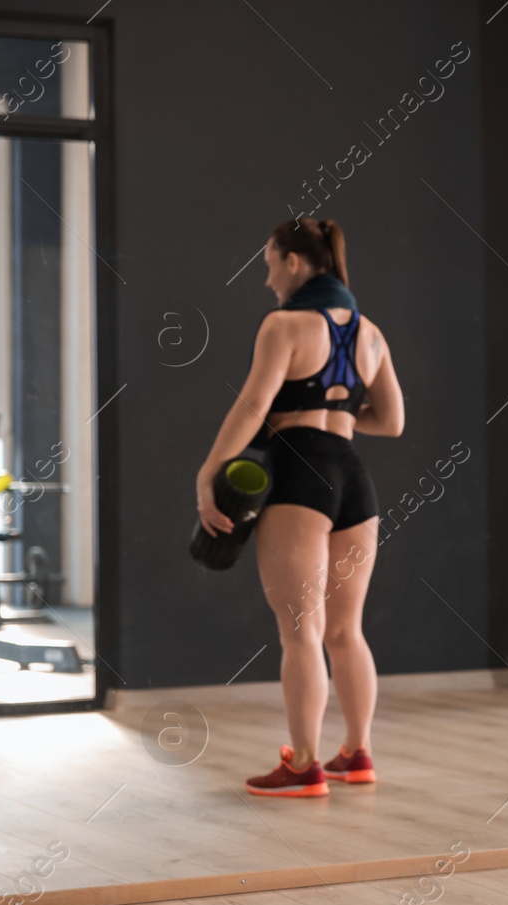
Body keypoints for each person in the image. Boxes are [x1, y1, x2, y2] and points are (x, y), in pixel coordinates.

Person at [196, 218, 405, 798]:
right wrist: (333, 417)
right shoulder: (371, 333)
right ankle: (356, 753)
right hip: (353, 476)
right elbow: (391, 421)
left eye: (268, 263)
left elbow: (252, 405)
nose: (266, 278)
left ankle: (304, 765)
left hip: (299, 472)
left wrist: (208, 471)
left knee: (300, 632)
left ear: (293, 262)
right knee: (345, 631)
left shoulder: (284, 325)